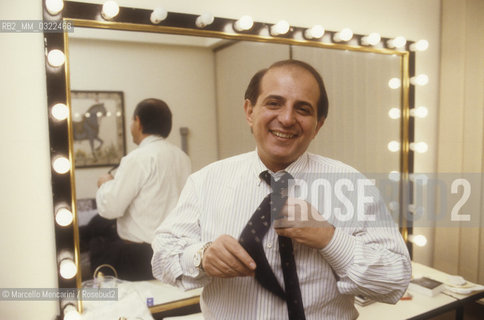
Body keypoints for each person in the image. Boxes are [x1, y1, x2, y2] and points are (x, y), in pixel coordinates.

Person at [151, 60, 411, 319]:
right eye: (274, 103)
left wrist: (330, 238)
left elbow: (395, 280)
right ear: (250, 111)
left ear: (318, 124)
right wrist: (201, 256)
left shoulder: (353, 187)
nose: (286, 119)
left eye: (303, 109)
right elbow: (162, 258)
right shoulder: (205, 181)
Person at [93, 98, 191, 281]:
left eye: (132, 121)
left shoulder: (137, 159)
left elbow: (111, 208)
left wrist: (105, 184)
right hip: (174, 252)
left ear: (138, 121)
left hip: (139, 256)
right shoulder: (182, 158)